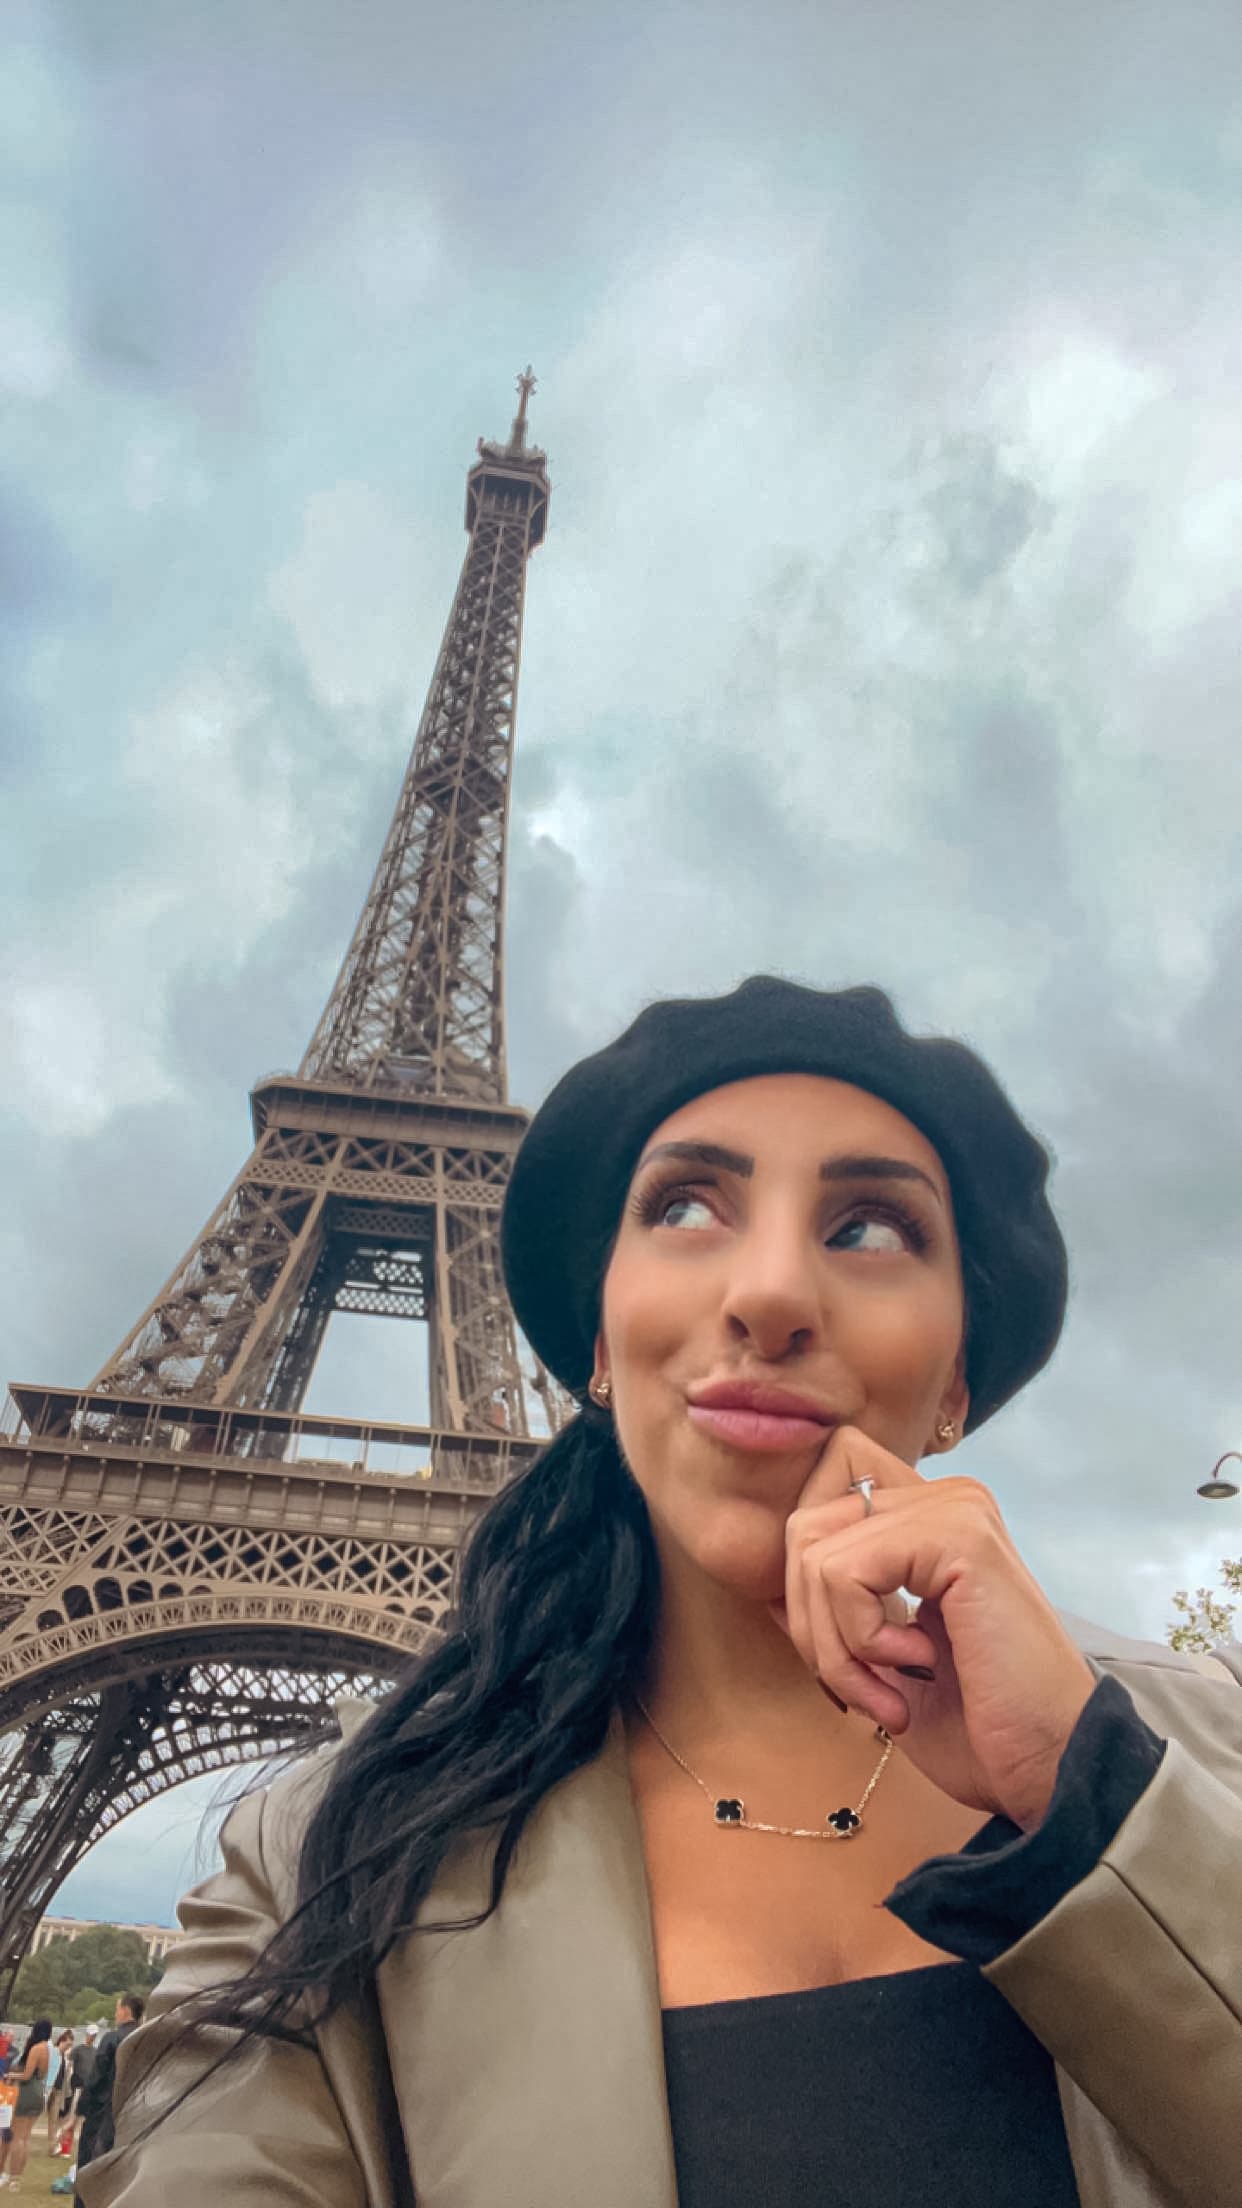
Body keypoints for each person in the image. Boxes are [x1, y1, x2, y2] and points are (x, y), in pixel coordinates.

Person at [78, 978, 1242, 2207]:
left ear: (959, 1374)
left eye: (868, 1228)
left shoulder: (1208, 1751)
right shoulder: (330, 1859)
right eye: (688, 1205)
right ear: (595, 1338)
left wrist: (1091, 1797)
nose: (774, 1291)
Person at [73, 1998, 143, 2205]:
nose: (115, 2014)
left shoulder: (112, 2039)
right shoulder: (144, 2038)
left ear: (124, 2011)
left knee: (89, 2165)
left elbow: (96, 2076)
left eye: (117, 2009)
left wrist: (80, 2109)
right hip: (131, 2113)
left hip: (101, 2112)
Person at [0, 2015, 53, 2191]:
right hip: (38, 2091)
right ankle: (18, 2176)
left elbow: (26, 2075)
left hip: (26, 2092)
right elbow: (42, 2074)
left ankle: (13, 2177)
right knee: (26, 2137)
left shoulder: (36, 2048)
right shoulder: (48, 2049)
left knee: (17, 2137)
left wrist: (10, 2076)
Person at [45, 2032, 75, 2155]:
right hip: (48, 2088)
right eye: (68, 2043)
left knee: (53, 2119)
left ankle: (53, 2147)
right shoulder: (52, 2052)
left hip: (58, 2091)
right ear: (62, 2040)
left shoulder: (65, 2058)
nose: (69, 2047)